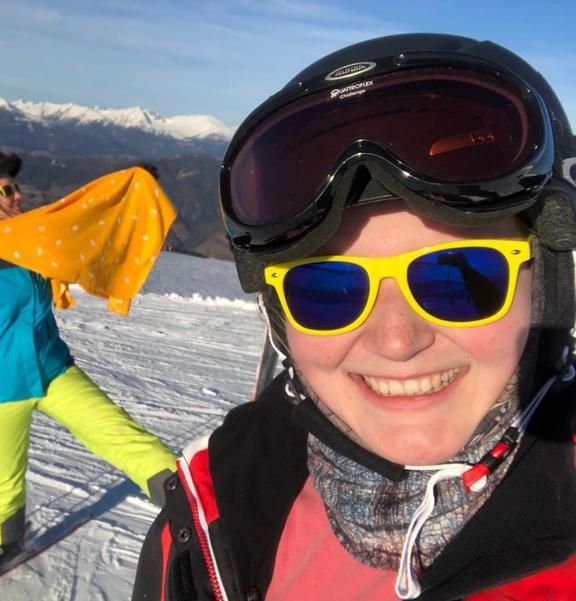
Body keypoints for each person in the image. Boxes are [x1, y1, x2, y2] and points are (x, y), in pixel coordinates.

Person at [133, 34, 576, 600]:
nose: (396, 341)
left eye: (459, 279)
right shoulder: (216, 512)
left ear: (550, 288)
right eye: (328, 290)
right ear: (280, 321)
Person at [0, 147, 176, 586]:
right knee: (2, 479)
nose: (17, 195)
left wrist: (126, 191)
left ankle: (189, 501)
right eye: (5, 190)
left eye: (13, 187)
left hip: (52, 370)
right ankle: (4, 542)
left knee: (120, 434)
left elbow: (81, 219)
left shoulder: (32, 238)